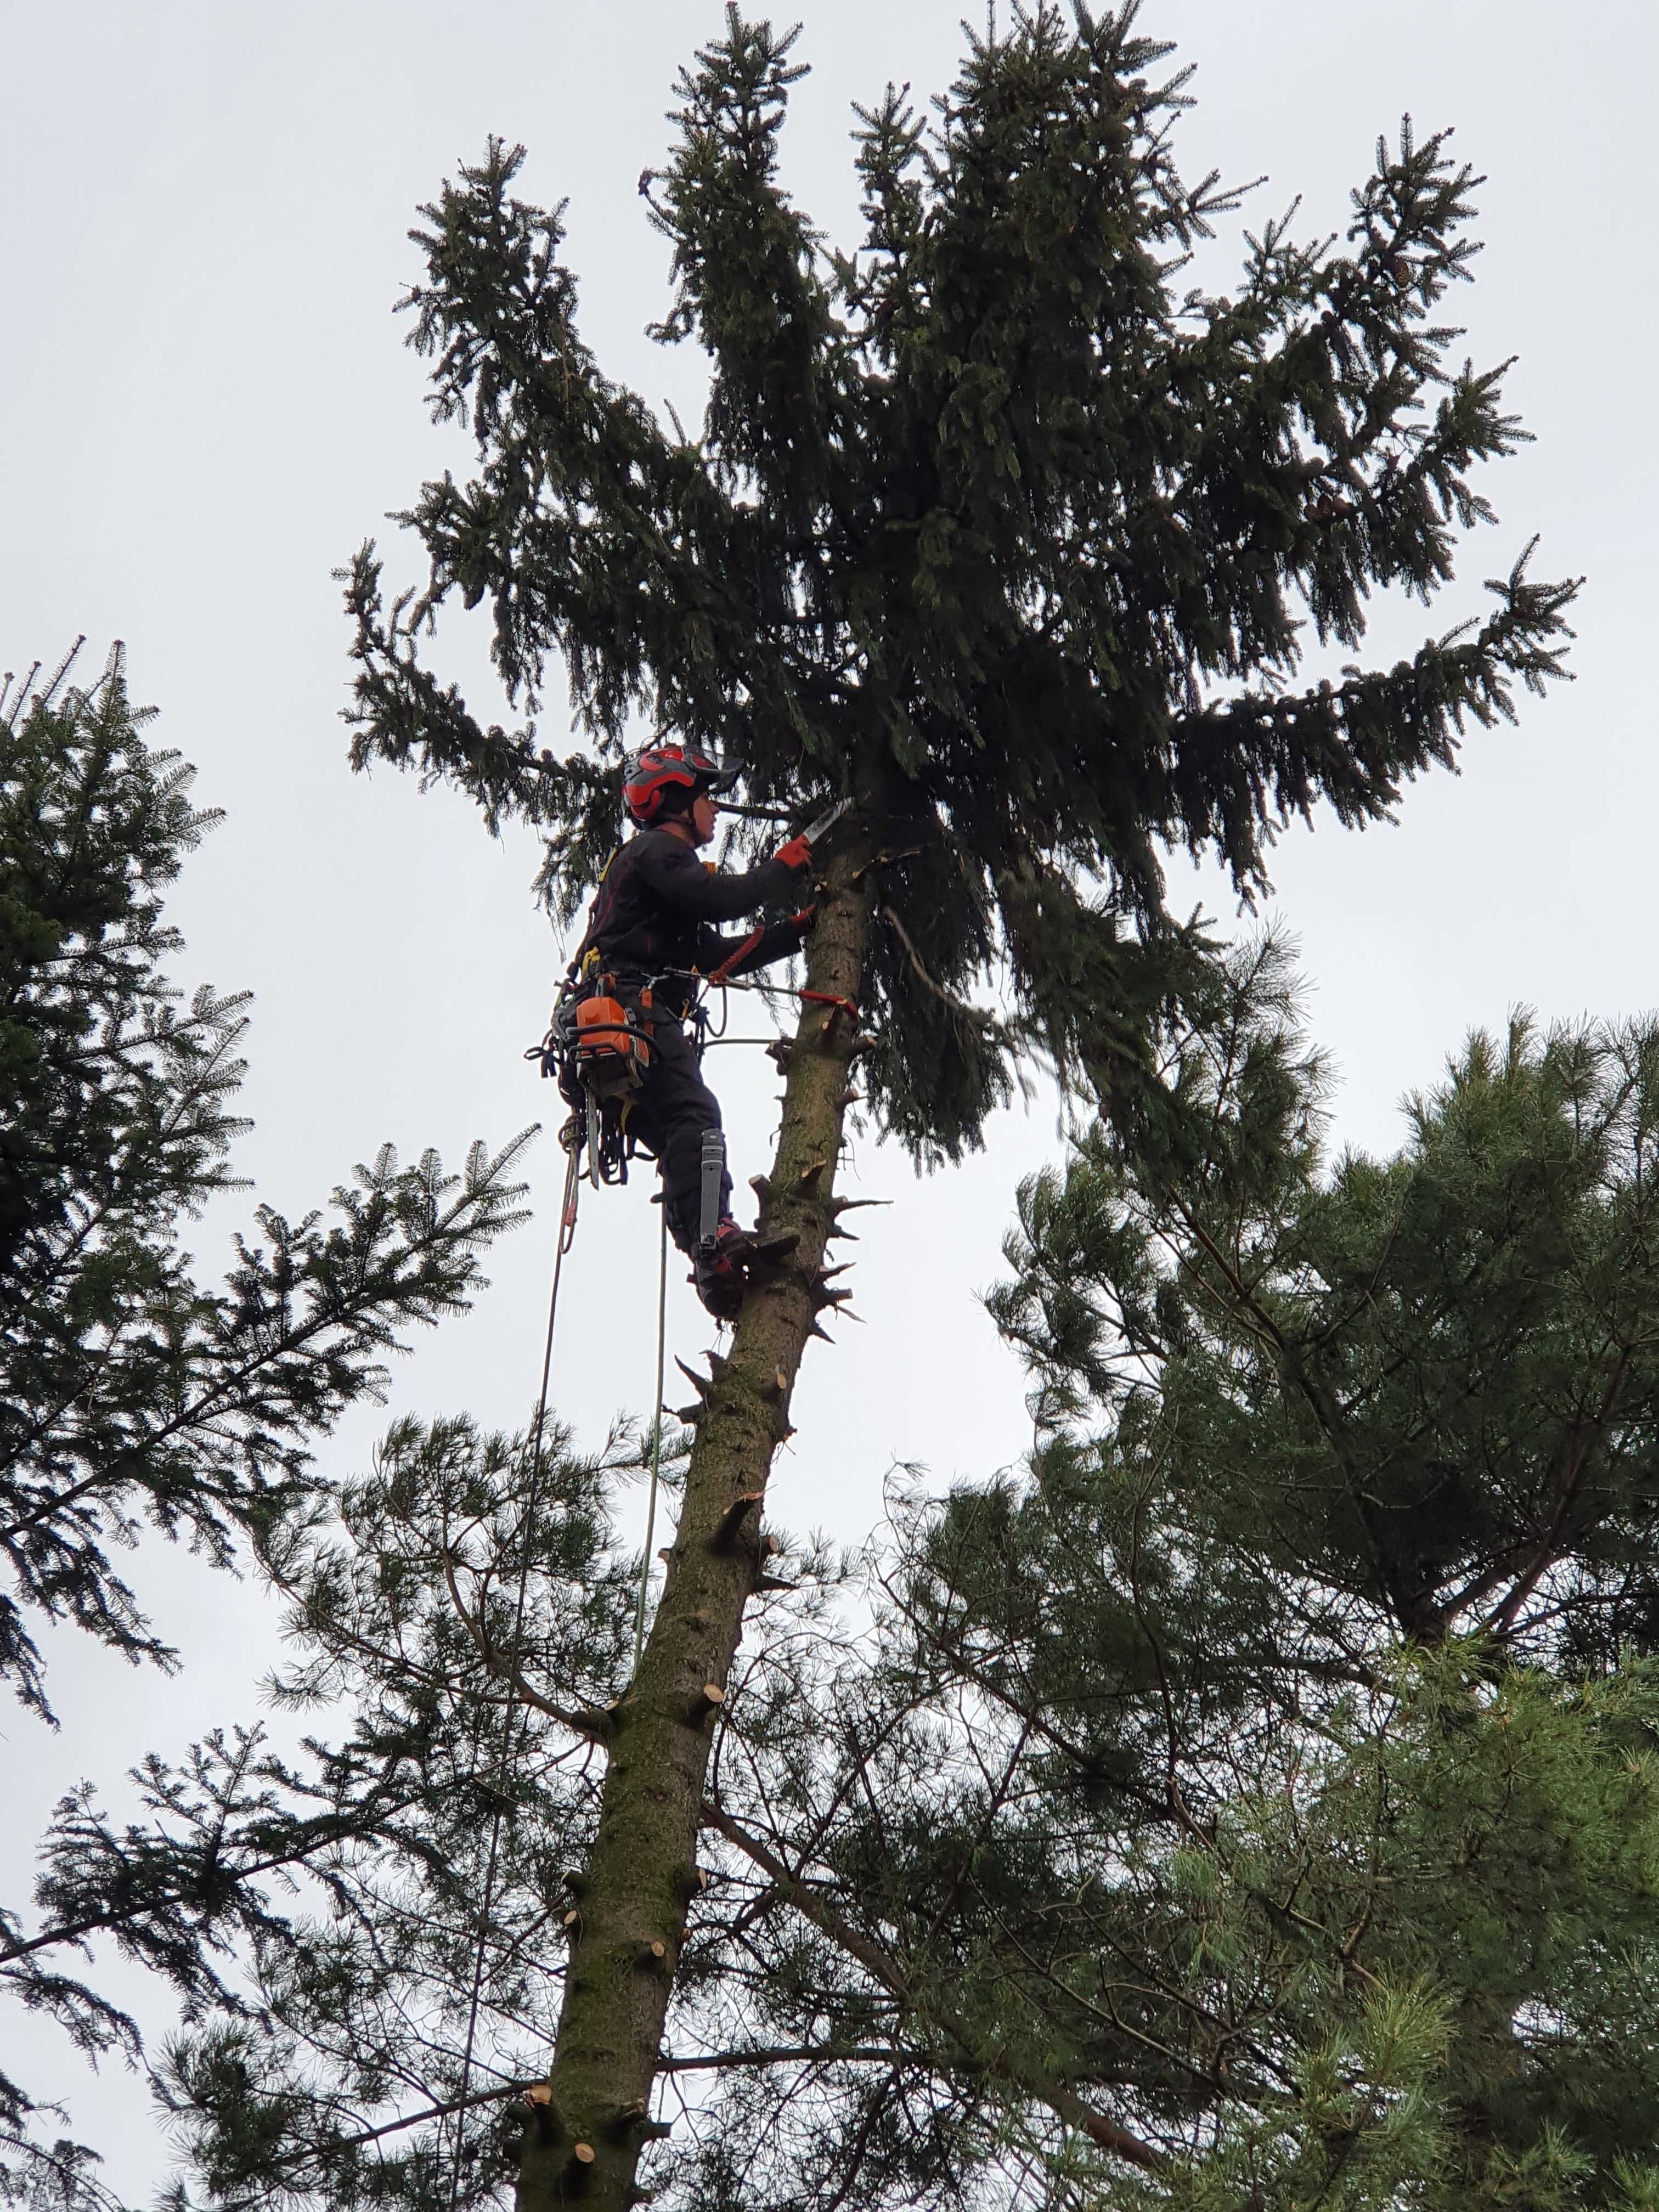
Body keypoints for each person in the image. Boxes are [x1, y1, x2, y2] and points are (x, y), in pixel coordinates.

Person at [566, 741, 814, 1318]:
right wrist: (781, 869)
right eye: (708, 798)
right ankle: (711, 1240)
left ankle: (712, 1263)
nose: (716, 810)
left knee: (689, 1132)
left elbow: (716, 953)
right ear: (678, 801)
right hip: (630, 1010)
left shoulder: (662, 885)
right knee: (696, 1118)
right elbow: (722, 900)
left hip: (622, 1033)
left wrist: (797, 931)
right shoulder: (654, 853)